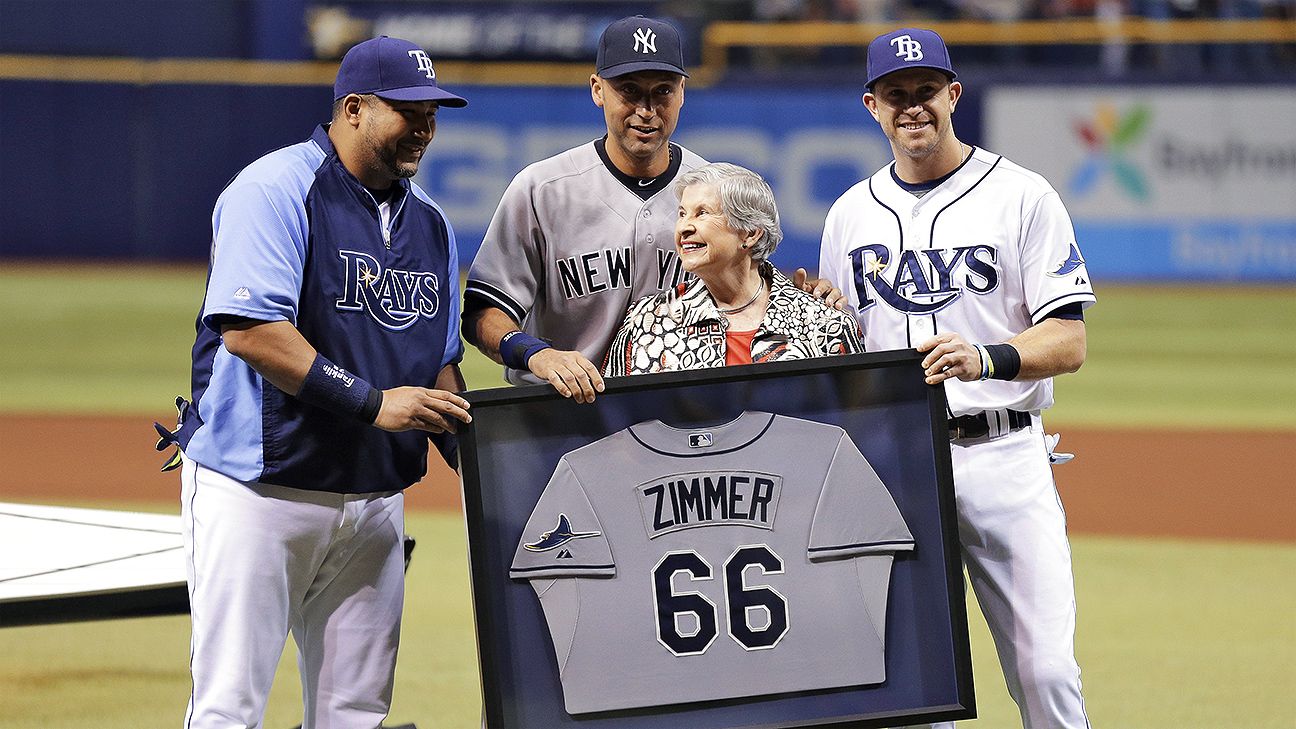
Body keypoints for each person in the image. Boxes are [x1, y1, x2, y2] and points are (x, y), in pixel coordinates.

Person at [167, 36, 472, 729]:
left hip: (373, 499)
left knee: (355, 712)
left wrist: (489, 461)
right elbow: (251, 331)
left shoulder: (431, 221)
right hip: (260, 487)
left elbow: (439, 362)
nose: (425, 125)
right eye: (410, 109)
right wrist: (372, 401)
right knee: (228, 707)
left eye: (434, 112)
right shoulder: (274, 188)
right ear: (354, 108)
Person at [818, 28, 1095, 729]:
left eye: (926, 92)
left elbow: (1068, 338)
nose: (913, 107)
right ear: (872, 106)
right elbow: (842, 346)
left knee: (1047, 670)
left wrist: (986, 356)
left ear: (954, 94)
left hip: (1004, 456)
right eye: (896, 96)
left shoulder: (1023, 196)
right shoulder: (850, 214)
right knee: (914, 692)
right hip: (896, 464)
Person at [463, 15, 840, 403]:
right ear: (597, 90)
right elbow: (482, 313)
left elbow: (752, 293)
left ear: (682, 93)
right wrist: (535, 353)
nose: (646, 110)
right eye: (629, 90)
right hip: (565, 415)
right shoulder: (543, 189)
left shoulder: (711, 194)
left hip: (685, 420)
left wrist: (807, 298)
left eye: (662, 91)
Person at [605, 162, 862, 374]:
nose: (684, 228)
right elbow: (616, 421)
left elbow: (856, 420)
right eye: (682, 214)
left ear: (750, 234)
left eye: (702, 213)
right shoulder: (649, 321)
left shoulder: (822, 324)